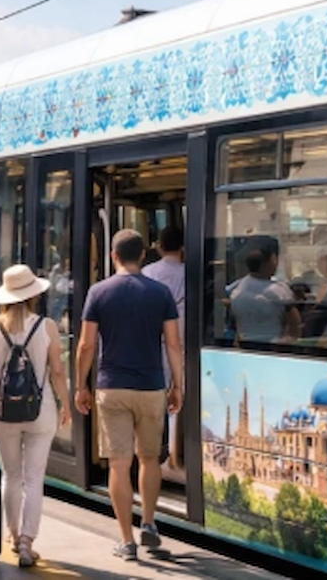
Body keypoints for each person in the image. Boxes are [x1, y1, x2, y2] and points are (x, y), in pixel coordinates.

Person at [75, 229, 182, 561]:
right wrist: (177, 385)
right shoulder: (161, 293)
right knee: (149, 458)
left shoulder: (98, 292)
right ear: (143, 255)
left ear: (113, 256)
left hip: (112, 387)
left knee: (119, 463)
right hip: (151, 386)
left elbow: (86, 345)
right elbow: (173, 344)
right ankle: (148, 522)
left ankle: (127, 540)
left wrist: (81, 385)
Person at [0, 264, 72, 568]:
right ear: (33, 296)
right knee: (34, 478)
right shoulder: (46, 326)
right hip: (40, 411)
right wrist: (65, 404)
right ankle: (28, 542)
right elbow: (57, 371)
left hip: (3, 412)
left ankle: (14, 536)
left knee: (12, 475)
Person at [141, 226, 185, 471]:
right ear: (183, 248)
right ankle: (175, 454)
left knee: (157, 399)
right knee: (178, 399)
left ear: (159, 246)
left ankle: (158, 450)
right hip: (182, 343)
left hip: (152, 345)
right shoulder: (189, 273)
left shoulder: (147, 273)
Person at [227, 236, 301, 343]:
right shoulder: (281, 291)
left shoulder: (235, 288)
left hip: (245, 345)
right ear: (273, 259)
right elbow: (295, 324)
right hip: (273, 347)